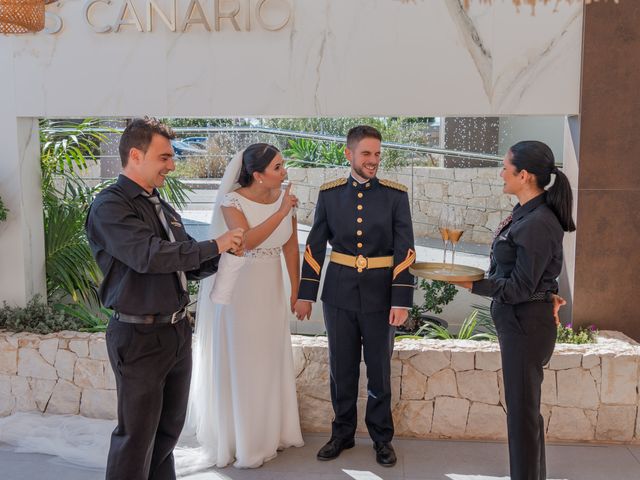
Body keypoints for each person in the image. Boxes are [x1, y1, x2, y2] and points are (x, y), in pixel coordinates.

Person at [85, 117, 244, 480]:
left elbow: (184, 263)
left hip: (175, 334)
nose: (172, 165)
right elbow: (149, 256)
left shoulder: (162, 206)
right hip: (138, 338)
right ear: (136, 156)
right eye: (165, 157)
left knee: (167, 435)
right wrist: (215, 243)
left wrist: (221, 257)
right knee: (136, 438)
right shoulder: (110, 206)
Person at [448, 140, 575, 480]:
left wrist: (471, 283)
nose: (500, 172)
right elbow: (539, 274)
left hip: (526, 325)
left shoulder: (538, 221)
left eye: (505, 167)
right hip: (522, 322)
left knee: (522, 415)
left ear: (524, 175)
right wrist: (551, 293)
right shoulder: (528, 213)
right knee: (524, 413)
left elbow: (520, 287)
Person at [293, 125, 415, 467]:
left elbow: (406, 250)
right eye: (366, 153)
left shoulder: (395, 195)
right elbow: (315, 247)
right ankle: (342, 433)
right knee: (341, 369)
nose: (373, 160)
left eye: (377, 154)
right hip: (339, 294)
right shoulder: (330, 195)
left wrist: (401, 300)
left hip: (381, 296)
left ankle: (381, 438)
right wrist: (307, 294)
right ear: (349, 154)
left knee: (379, 371)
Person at [187, 143, 305, 468]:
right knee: (246, 360)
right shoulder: (232, 201)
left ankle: (273, 432)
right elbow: (248, 241)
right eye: (278, 167)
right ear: (258, 175)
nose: (285, 172)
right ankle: (243, 439)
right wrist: (281, 211)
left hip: (270, 288)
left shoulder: (286, 200)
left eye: (283, 165)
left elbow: (291, 248)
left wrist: (296, 290)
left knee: (269, 357)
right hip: (241, 290)